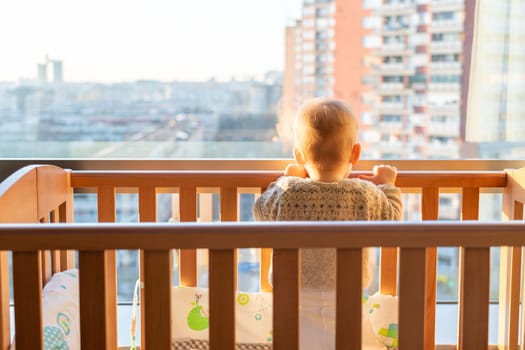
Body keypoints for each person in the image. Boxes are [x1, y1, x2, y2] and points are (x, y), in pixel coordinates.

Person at [253, 97, 402, 350]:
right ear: (355, 153)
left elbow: (260, 211)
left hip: (292, 301)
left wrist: (285, 178)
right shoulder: (365, 193)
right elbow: (392, 218)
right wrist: (387, 184)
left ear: (298, 156)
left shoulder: (287, 191)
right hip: (348, 299)